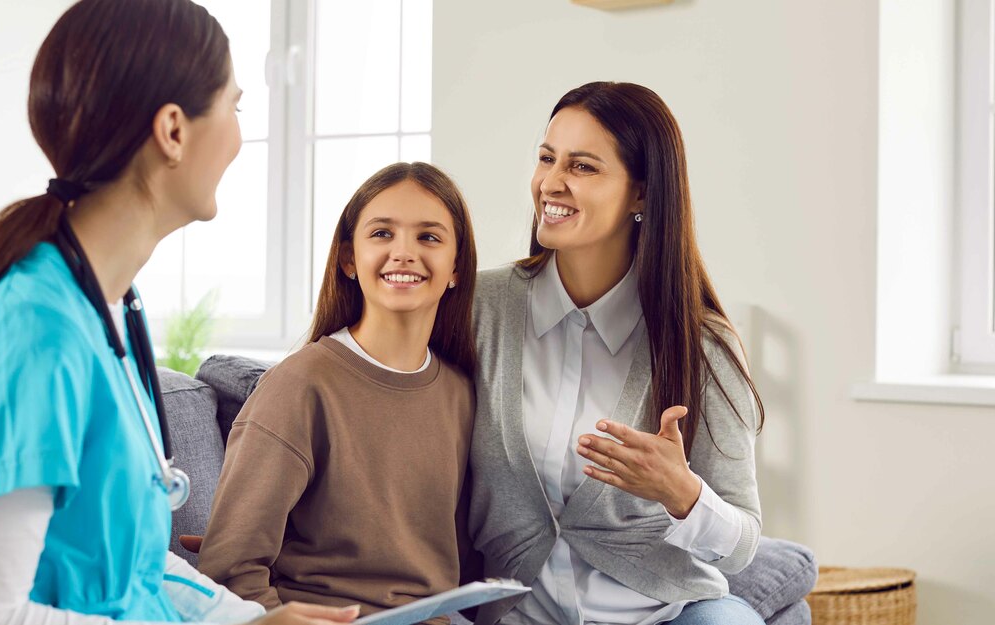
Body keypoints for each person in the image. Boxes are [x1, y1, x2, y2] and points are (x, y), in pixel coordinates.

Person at [0, 1, 358, 624]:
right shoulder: (30, 336)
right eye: (235, 105)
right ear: (173, 130)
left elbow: (132, 568)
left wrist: (253, 622)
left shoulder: (111, 314)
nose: (238, 134)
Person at [466, 82, 767, 625]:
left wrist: (683, 494)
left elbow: (743, 543)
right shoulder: (478, 309)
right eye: (546, 158)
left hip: (665, 614)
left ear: (643, 194)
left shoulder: (702, 345)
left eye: (582, 167)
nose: (550, 183)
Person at [197, 163, 479, 625]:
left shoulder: (461, 393)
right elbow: (229, 572)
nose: (404, 253)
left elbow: (463, 561)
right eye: (382, 234)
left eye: (429, 237)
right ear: (349, 259)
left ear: (456, 268)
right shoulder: (299, 388)